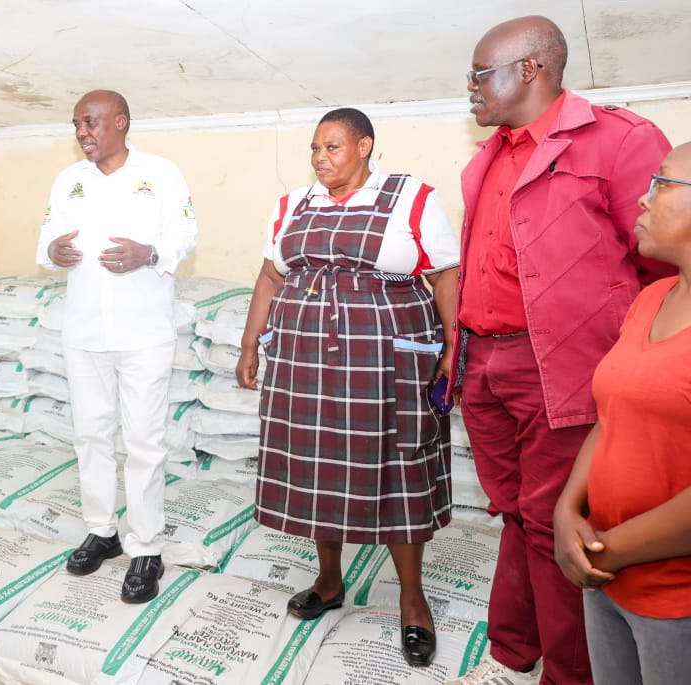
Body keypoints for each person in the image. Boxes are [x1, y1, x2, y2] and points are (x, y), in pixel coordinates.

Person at [445, 16, 673, 685]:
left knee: (555, 523)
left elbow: (663, 260)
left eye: (482, 73)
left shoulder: (615, 139)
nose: (471, 87)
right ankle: (514, 647)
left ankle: (569, 674)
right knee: (516, 512)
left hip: (559, 367)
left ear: (533, 70)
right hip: (484, 365)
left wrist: (639, 363)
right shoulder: (489, 156)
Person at [236, 107, 459, 668]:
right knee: (319, 465)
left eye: (332, 148)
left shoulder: (411, 197)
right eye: (314, 150)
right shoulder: (293, 205)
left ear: (364, 146)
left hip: (387, 359)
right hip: (304, 358)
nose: (319, 159)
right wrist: (249, 343)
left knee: (396, 465)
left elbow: (446, 275)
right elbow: (270, 275)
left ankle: (412, 601)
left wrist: (455, 347)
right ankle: (329, 581)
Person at [36, 89, 197, 604]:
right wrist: (53, 251)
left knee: (145, 442)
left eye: (91, 123)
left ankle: (146, 548)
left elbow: (185, 235)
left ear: (121, 123)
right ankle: (102, 531)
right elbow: (46, 242)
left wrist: (150, 253)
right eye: (77, 125)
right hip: (84, 333)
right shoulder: (69, 181)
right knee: (91, 435)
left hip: (144, 333)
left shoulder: (162, 174)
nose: (83, 133)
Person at [553, 142, 691, 685]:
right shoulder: (652, 298)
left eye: (662, 185)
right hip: (606, 577)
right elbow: (611, 418)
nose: (642, 198)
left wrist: (603, 548)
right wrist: (568, 511)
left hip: (672, 596)